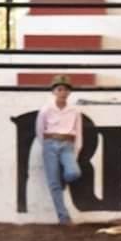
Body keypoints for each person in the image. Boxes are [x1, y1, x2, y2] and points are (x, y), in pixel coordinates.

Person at [35, 75, 83, 225]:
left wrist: (77, 150)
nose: (62, 92)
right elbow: (40, 130)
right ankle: (63, 217)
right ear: (54, 91)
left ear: (69, 92)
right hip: (50, 143)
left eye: (65, 89)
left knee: (74, 172)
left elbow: (79, 132)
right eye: (59, 89)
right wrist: (47, 144)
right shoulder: (46, 109)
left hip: (67, 144)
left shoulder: (74, 111)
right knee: (53, 183)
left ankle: (64, 177)